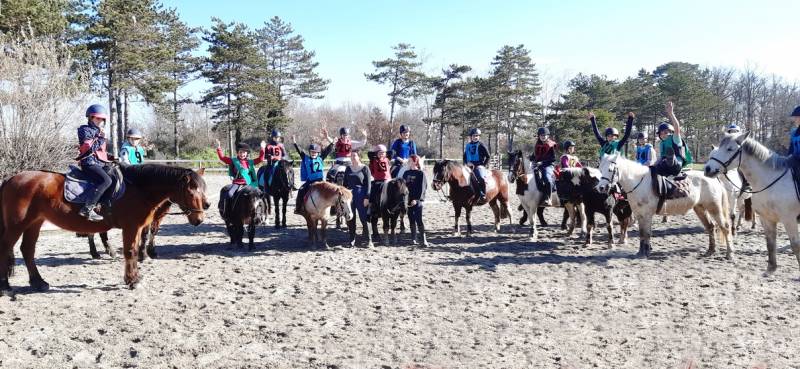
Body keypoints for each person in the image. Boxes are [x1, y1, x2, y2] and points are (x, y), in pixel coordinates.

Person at [76, 104, 113, 221]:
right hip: (89, 163)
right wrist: (102, 138)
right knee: (106, 180)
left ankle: (104, 205)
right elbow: (90, 149)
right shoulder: (84, 130)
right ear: (90, 118)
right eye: (97, 118)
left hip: (100, 163)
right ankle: (87, 208)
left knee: (116, 175)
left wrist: (112, 158)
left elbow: (101, 152)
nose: (100, 121)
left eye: (102, 119)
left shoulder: (99, 132)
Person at [216, 139, 267, 218]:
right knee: (229, 194)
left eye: (244, 152)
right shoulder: (233, 161)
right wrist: (219, 148)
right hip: (237, 183)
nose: (242, 154)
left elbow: (260, 159)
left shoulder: (250, 162)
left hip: (249, 184)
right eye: (240, 152)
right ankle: (227, 212)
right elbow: (222, 158)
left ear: (246, 154)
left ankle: (260, 214)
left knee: (260, 195)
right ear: (237, 153)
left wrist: (262, 148)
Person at [293, 130, 335, 215]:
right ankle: (298, 208)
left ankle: (333, 210)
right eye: (312, 152)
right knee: (301, 190)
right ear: (309, 152)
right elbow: (300, 151)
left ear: (318, 153)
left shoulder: (320, 158)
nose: (313, 153)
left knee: (331, 191)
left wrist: (333, 143)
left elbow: (327, 150)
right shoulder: (306, 158)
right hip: (310, 181)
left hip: (320, 181)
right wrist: (294, 142)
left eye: (315, 152)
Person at [654, 101, 691, 177]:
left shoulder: (675, 138)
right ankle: (668, 161)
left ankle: (671, 159)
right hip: (665, 164)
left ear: (671, 132)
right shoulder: (662, 143)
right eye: (661, 133)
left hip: (677, 163)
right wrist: (653, 165)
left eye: (665, 132)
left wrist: (671, 113)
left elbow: (677, 126)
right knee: (659, 166)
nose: (663, 135)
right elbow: (661, 157)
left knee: (671, 162)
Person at [344, 150, 372, 247]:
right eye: (351, 156)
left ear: (359, 157)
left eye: (354, 155)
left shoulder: (365, 168)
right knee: (351, 218)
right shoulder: (348, 169)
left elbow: (368, 185)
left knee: (364, 218)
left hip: (361, 195)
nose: (352, 157)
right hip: (350, 197)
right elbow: (345, 185)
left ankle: (369, 240)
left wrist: (367, 198)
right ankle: (352, 240)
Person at [402, 155, 429, 247]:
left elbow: (423, 188)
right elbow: (403, 187)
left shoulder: (420, 173)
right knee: (411, 219)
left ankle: (423, 239)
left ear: (415, 161)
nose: (408, 162)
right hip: (408, 200)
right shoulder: (406, 173)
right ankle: (413, 238)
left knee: (419, 219)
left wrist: (417, 199)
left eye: (409, 160)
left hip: (417, 200)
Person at [531, 127, 557, 206]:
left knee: (547, 179)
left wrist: (541, 163)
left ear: (547, 136)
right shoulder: (537, 144)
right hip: (538, 165)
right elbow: (535, 156)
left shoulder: (551, 145)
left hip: (548, 165)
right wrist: (529, 158)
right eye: (541, 135)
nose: (543, 136)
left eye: (544, 135)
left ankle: (549, 198)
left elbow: (553, 159)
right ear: (539, 136)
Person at [463, 128, 491, 203]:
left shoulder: (481, 145)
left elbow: (488, 156)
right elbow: (464, 157)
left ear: (479, 137)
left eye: (477, 136)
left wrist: (483, 165)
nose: (475, 137)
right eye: (474, 136)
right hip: (469, 166)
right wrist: (467, 163)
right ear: (471, 137)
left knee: (480, 178)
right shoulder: (468, 146)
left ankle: (483, 193)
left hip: (479, 165)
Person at [367, 144, 392, 213]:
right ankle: (371, 205)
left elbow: (392, 153)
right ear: (376, 154)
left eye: (383, 153)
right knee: (373, 190)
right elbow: (371, 171)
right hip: (378, 180)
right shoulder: (373, 161)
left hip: (388, 179)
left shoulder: (387, 160)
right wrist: (375, 176)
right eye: (379, 153)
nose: (381, 154)